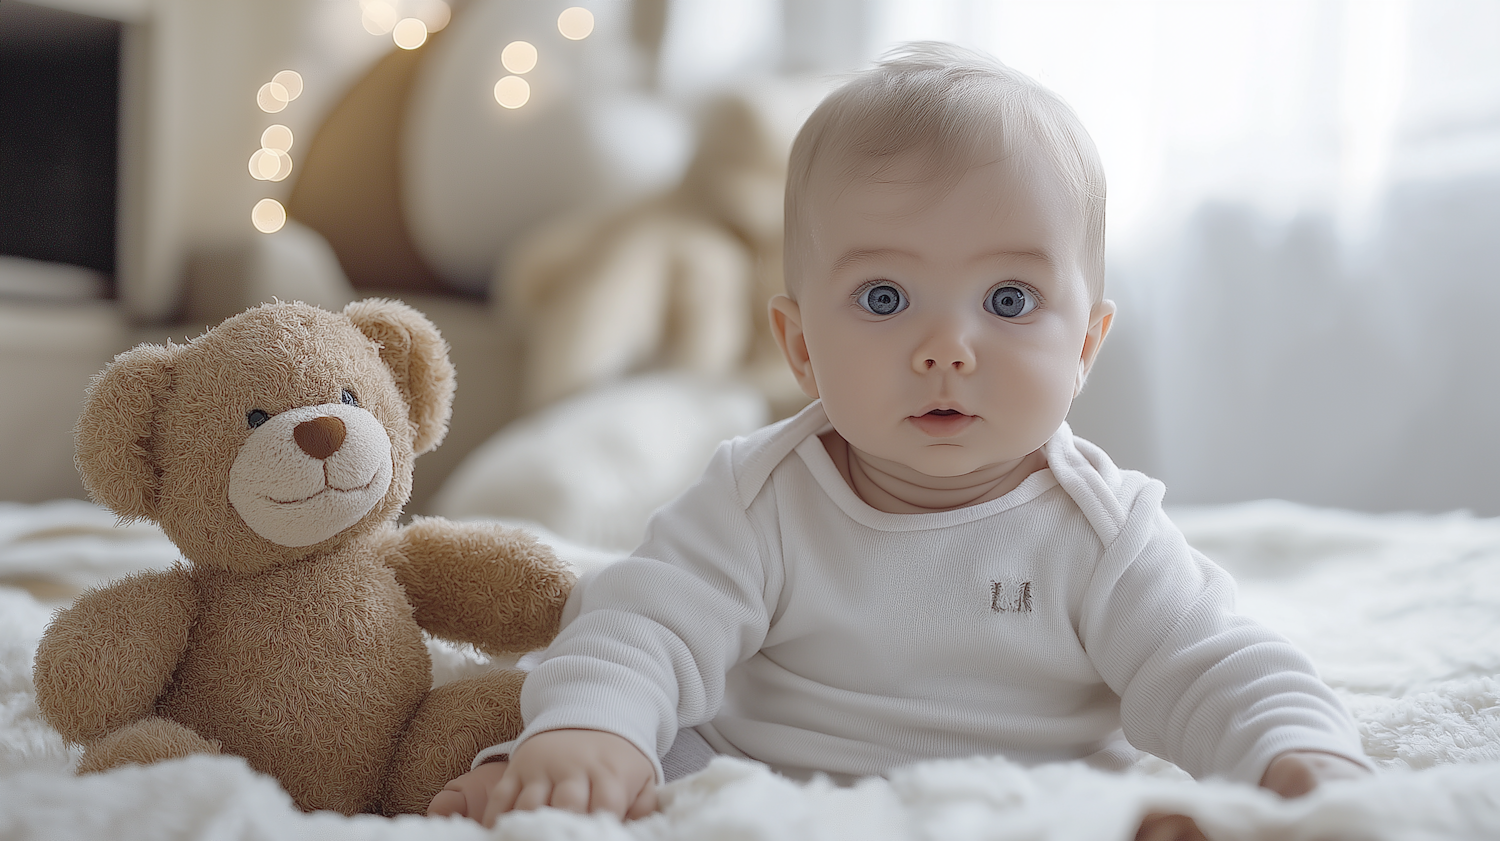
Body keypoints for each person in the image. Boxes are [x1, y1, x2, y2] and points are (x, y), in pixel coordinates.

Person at [428, 42, 1372, 836]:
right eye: (884, 298)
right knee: (632, 744)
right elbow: (643, 624)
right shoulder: (761, 498)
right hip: (764, 789)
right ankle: (550, 776)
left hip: (1027, 803)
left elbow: (1214, 661)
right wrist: (591, 733)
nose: (946, 350)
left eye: (1009, 300)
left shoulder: (1102, 530)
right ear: (800, 345)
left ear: (1085, 346)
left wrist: (1299, 754)